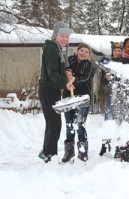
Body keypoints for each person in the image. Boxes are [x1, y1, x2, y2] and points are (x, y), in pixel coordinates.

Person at [38, 21, 74, 163]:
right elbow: (51, 72)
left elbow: (56, 68)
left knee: (53, 123)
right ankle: (49, 155)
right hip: (48, 89)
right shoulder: (51, 48)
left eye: (67, 36)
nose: (65, 39)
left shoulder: (57, 48)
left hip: (51, 90)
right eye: (62, 36)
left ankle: (47, 152)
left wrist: (66, 71)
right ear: (55, 35)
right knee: (54, 124)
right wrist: (65, 83)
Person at [61, 43, 94, 162]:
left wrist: (75, 79)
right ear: (77, 51)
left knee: (80, 125)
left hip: (82, 98)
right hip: (68, 97)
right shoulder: (70, 60)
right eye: (82, 50)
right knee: (69, 125)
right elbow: (64, 68)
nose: (83, 53)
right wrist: (67, 72)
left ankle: (82, 152)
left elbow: (86, 78)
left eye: (86, 51)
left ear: (89, 55)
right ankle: (69, 153)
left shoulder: (89, 65)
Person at [101, 41, 123, 121]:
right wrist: (106, 78)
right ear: (112, 52)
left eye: (119, 50)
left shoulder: (125, 63)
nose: (117, 52)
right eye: (115, 51)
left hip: (122, 94)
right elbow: (102, 82)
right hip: (110, 93)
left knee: (120, 116)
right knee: (109, 115)